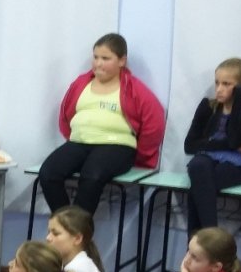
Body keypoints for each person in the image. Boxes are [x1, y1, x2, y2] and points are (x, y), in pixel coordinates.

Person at [38, 33, 166, 214]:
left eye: (105, 58)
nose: (98, 63)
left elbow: (155, 122)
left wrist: (141, 154)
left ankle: (76, 234)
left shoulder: (133, 88)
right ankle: (66, 226)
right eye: (96, 57)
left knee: (92, 176)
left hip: (116, 146)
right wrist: (75, 136)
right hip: (80, 142)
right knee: (48, 174)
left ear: (122, 61)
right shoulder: (81, 83)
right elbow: (66, 114)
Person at [184, 57, 241, 233]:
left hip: (236, 164)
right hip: (206, 160)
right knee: (198, 165)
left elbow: (236, 138)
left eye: (227, 84)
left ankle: (200, 246)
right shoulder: (207, 106)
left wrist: (239, 99)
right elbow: (190, 145)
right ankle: (211, 242)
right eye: (217, 83)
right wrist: (229, 146)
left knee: (198, 187)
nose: (219, 89)